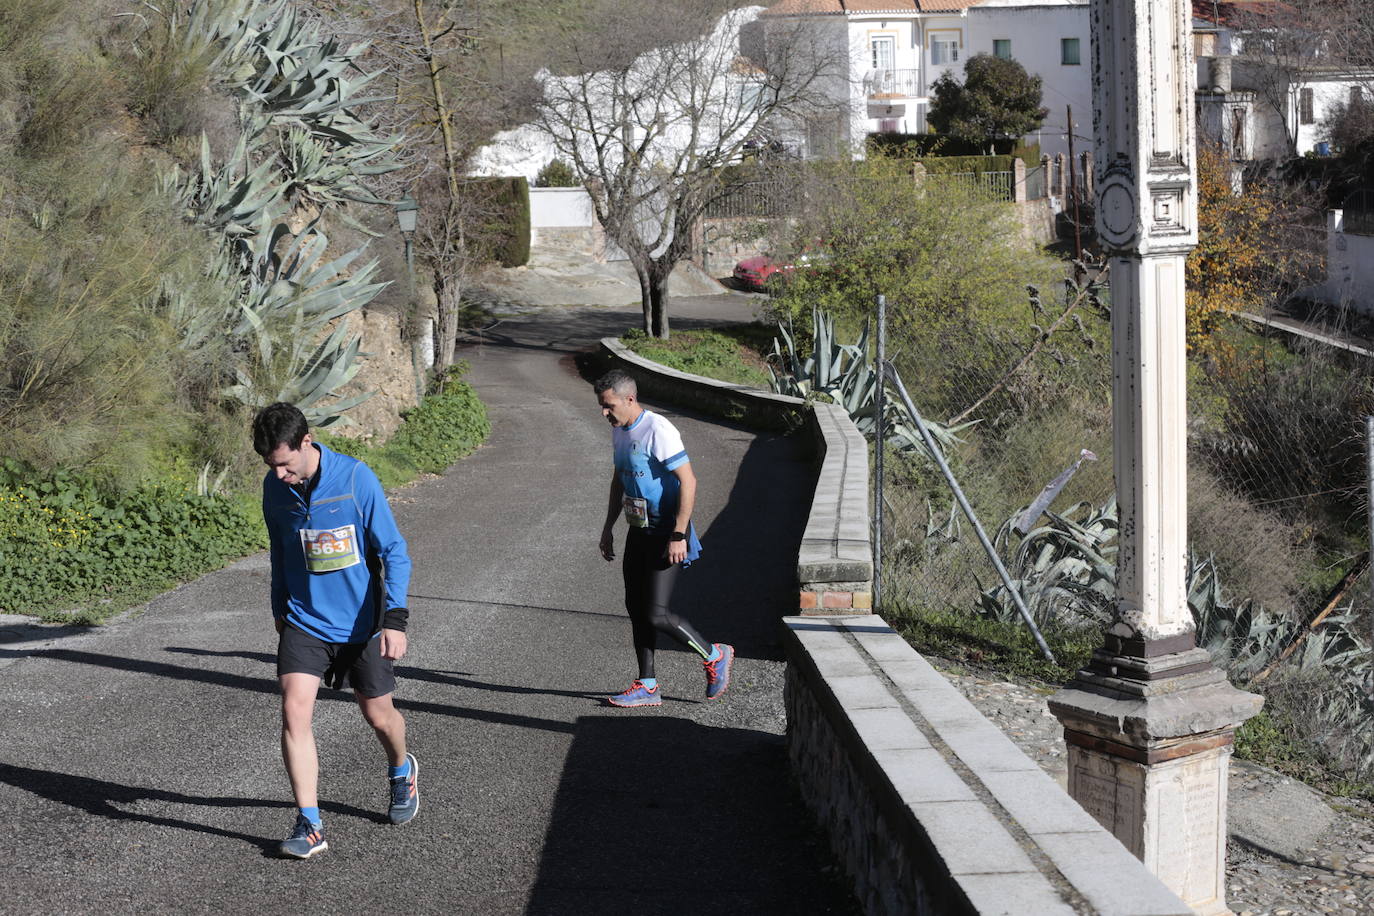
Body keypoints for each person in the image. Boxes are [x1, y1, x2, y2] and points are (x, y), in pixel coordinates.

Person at [253, 402, 418, 859]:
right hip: (305, 620)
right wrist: (278, 609)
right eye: (272, 466)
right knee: (294, 710)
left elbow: (394, 551)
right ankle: (310, 824)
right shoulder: (275, 488)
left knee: (379, 716)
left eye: (285, 464)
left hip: (362, 625)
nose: (280, 475)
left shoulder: (354, 478)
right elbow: (280, 552)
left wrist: (394, 619)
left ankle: (401, 770)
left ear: (307, 442)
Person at [594, 370, 734, 707]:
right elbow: (620, 481)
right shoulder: (619, 432)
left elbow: (689, 481)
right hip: (638, 530)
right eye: (601, 406)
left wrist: (678, 534)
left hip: (667, 532)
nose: (604, 413)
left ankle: (715, 655)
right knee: (635, 609)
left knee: (656, 613)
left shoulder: (658, 429)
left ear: (629, 399)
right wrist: (608, 527)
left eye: (608, 405)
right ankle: (647, 685)